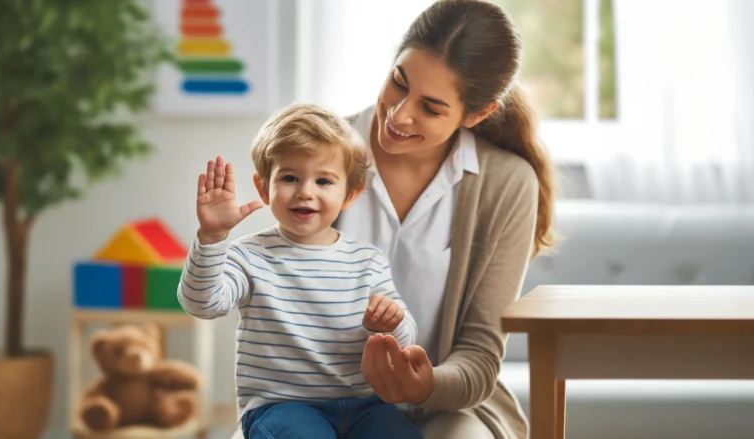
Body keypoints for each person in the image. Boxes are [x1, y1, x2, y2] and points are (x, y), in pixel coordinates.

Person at [333, 0, 558, 438]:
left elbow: (479, 356)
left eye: (431, 108)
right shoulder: (317, 147)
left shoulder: (506, 184)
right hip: (317, 399)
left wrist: (427, 384)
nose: (399, 115)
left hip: (447, 410)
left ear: (477, 114)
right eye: (398, 82)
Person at [178, 103, 425, 439]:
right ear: (264, 188)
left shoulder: (368, 260)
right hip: (281, 407)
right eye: (290, 177)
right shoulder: (248, 255)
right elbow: (202, 303)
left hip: (366, 405)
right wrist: (212, 237)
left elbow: (406, 337)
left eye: (324, 180)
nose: (305, 191)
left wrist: (391, 323)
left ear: (349, 194)